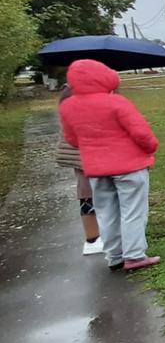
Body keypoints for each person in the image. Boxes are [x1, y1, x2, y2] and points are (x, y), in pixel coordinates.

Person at [58, 59, 160, 272]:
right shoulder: (117, 102)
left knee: (106, 211)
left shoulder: (68, 106)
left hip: (96, 169)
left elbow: (72, 139)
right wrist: (151, 148)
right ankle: (134, 255)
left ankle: (114, 255)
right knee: (132, 210)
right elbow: (141, 132)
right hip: (130, 166)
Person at [55, 83, 102, 256]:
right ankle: (93, 238)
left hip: (80, 151)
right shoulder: (78, 92)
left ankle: (93, 238)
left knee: (87, 192)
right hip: (86, 150)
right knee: (90, 193)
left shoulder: (68, 91)